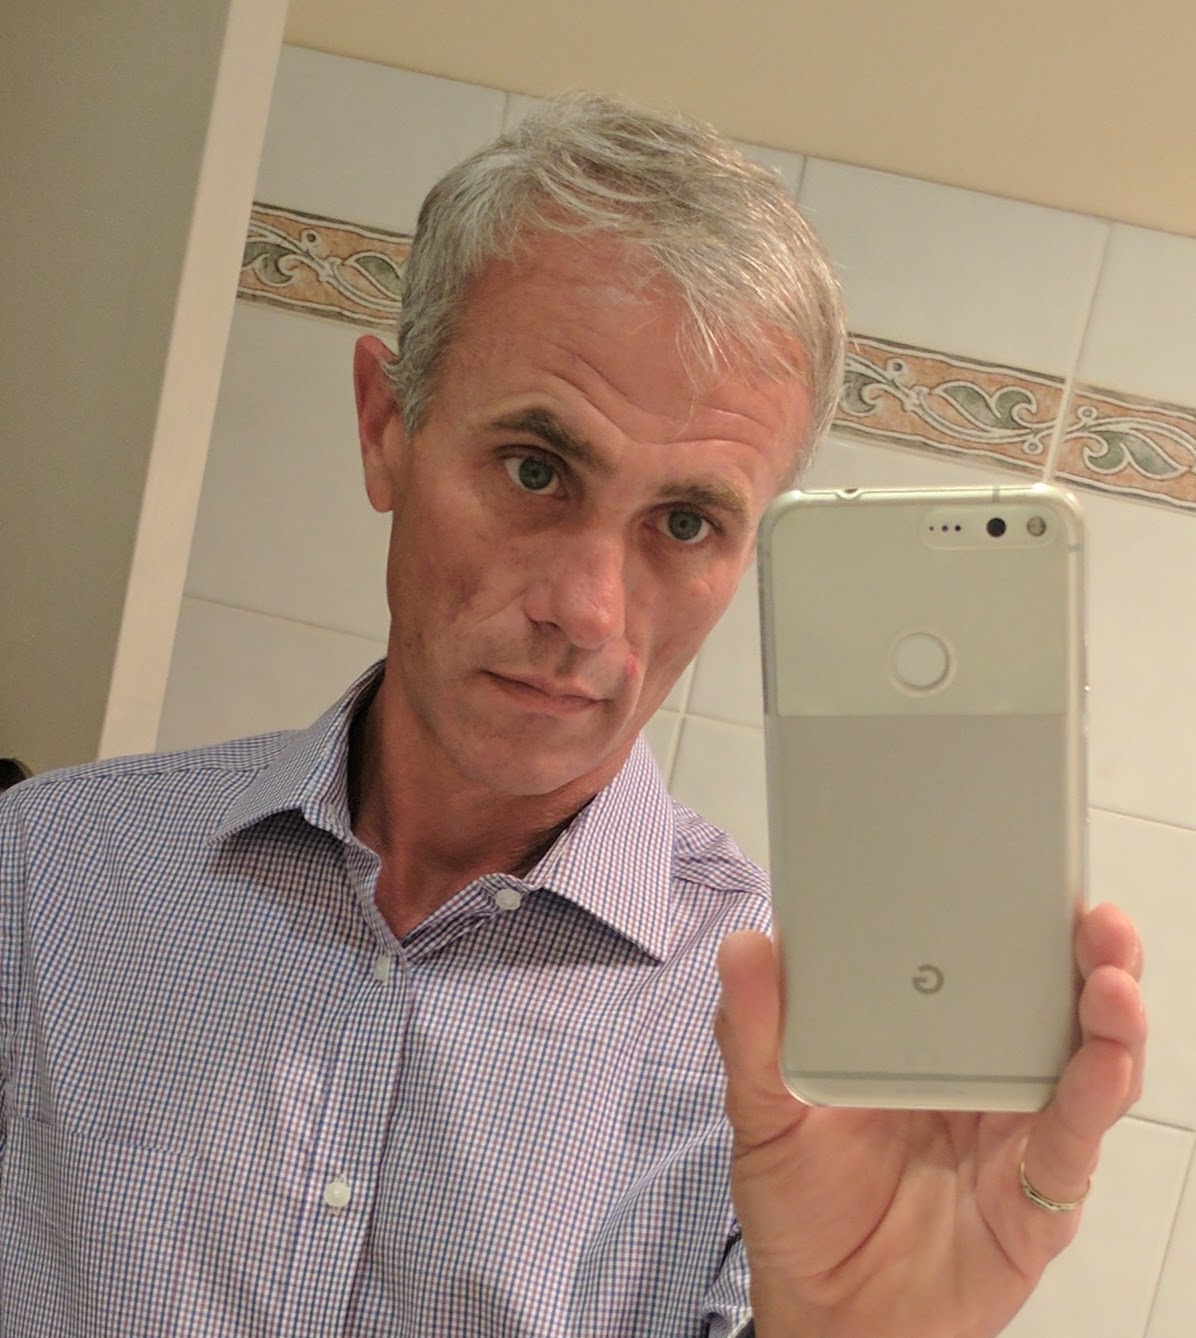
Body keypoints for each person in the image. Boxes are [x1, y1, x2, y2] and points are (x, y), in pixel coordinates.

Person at [0, 93, 1144, 1337]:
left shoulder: (793, 1056)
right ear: (385, 428)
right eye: (534, 469)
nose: (588, 612)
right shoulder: (46, 877)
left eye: (684, 524)